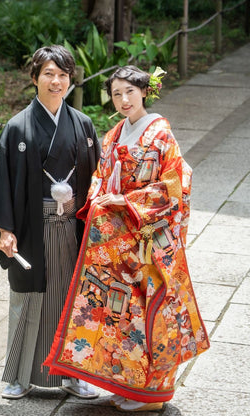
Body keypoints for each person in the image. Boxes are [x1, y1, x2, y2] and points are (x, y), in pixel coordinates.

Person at [44, 65, 210, 411]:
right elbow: (101, 175)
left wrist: (126, 201)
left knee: (151, 309)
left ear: (145, 92)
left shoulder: (161, 133)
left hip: (147, 237)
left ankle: (153, 395)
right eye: (116, 94)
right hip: (120, 239)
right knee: (122, 313)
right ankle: (130, 386)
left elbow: (176, 185)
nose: (123, 100)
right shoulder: (114, 133)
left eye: (129, 93)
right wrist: (102, 195)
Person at [0, 45, 101, 400]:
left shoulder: (83, 125)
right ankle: (19, 375)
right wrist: (5, 228)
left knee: (74, 298)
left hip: (74, 228)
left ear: (70, 80)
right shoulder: (17, 127)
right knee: (27, 297)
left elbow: (98, 179)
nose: (56, 81)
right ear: (34, 78)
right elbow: (1, 182)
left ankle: (75, 374)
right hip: (33, 225)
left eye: (63, 75)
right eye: (48, 74)